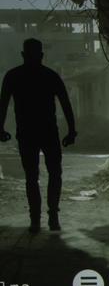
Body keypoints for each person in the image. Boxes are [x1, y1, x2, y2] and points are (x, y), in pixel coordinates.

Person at [1, 38, 78, 233]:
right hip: (48, 132)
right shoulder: (50, 76)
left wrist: (0, 129)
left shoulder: (13, 76)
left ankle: (35, 219)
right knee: (54, 173)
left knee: (31, 177)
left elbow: (2, 105)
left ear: (23, 55)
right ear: (42, 56)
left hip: (26, 133)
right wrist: (71, 130)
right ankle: (53, 216)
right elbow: (65, 104)